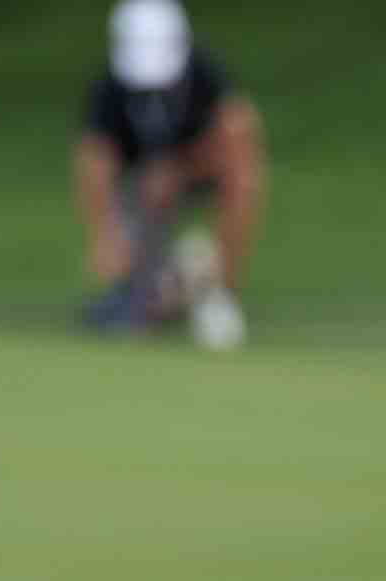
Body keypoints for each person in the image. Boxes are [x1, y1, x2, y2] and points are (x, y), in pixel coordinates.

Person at [74, 0, 264, 348]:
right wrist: (106, 235)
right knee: (142, 287)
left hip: (197, 170)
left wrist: (177, 170)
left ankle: (222, 291)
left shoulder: (205, 73)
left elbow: (240, 137)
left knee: (243, 180)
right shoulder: (108, 87)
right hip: (138, 186)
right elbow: (95, 161)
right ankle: (150, 288)